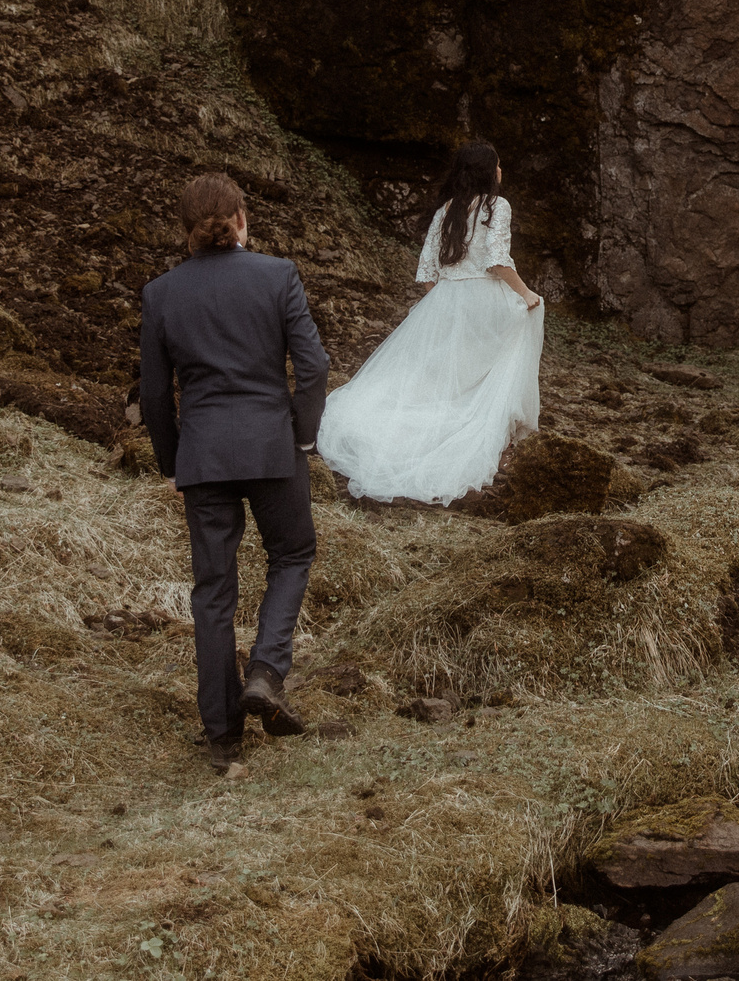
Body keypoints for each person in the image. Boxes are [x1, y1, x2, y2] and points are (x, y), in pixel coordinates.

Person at [139, 172, 329, 776]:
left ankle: (222, 735)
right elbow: (316, 367)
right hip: (273, 447)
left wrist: (174, 463)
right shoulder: (278, 275)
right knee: (292, 555)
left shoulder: (161, 293)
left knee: (212, 595)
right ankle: (267, 672)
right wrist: (301, 432)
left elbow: (152, 395)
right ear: (242, 219)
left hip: (204, 458)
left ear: (185, 230)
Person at [317, 141, 545, 504]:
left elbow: (427, 273)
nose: (502, 171)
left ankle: (436, 442)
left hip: (447, 300)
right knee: (495, 372)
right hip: (486, 300)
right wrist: (526, 294)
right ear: (489, 171)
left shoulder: (446, 211)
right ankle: (491, 452)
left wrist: (447, 304)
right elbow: (497, 261)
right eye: (499, 165)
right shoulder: (496, 205)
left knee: (446, 381)